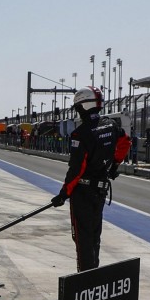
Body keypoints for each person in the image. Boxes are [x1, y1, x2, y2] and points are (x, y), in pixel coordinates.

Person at [50, 87, 128, 271]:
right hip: (100, 191)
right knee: (94, 236)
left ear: (83, 106)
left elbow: (77, 169)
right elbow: (125, 143)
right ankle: (93, 275)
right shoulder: (111, 125)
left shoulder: (81, 133)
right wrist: (113, 166)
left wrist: (63, 194)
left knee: (82, 238)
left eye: (77, 108)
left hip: (83, 193)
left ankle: (84, 278)